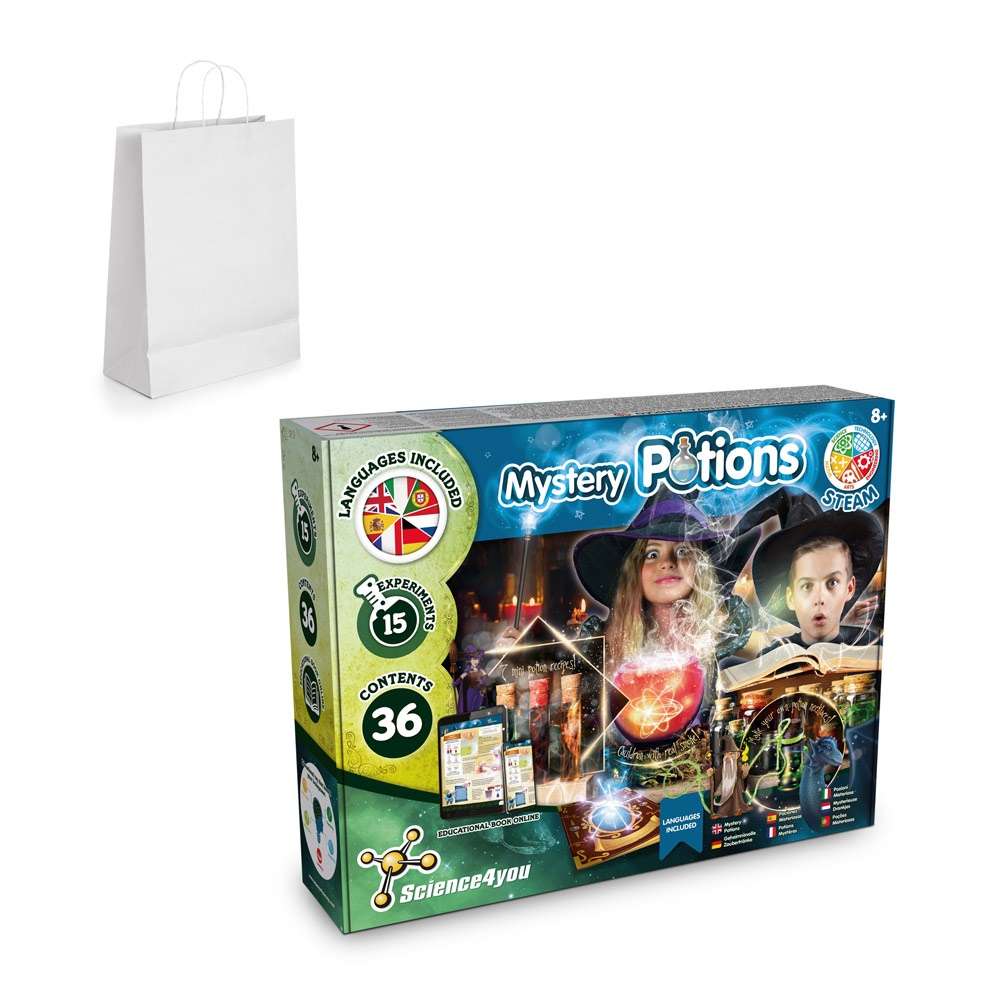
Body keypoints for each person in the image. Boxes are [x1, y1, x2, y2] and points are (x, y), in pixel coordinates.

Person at [733, 487, 885, 654]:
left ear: (849, 588)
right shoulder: (772, 656)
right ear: (790, 597)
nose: (819, 599)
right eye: (807, 586)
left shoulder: (873, 646)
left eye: (832, 583)